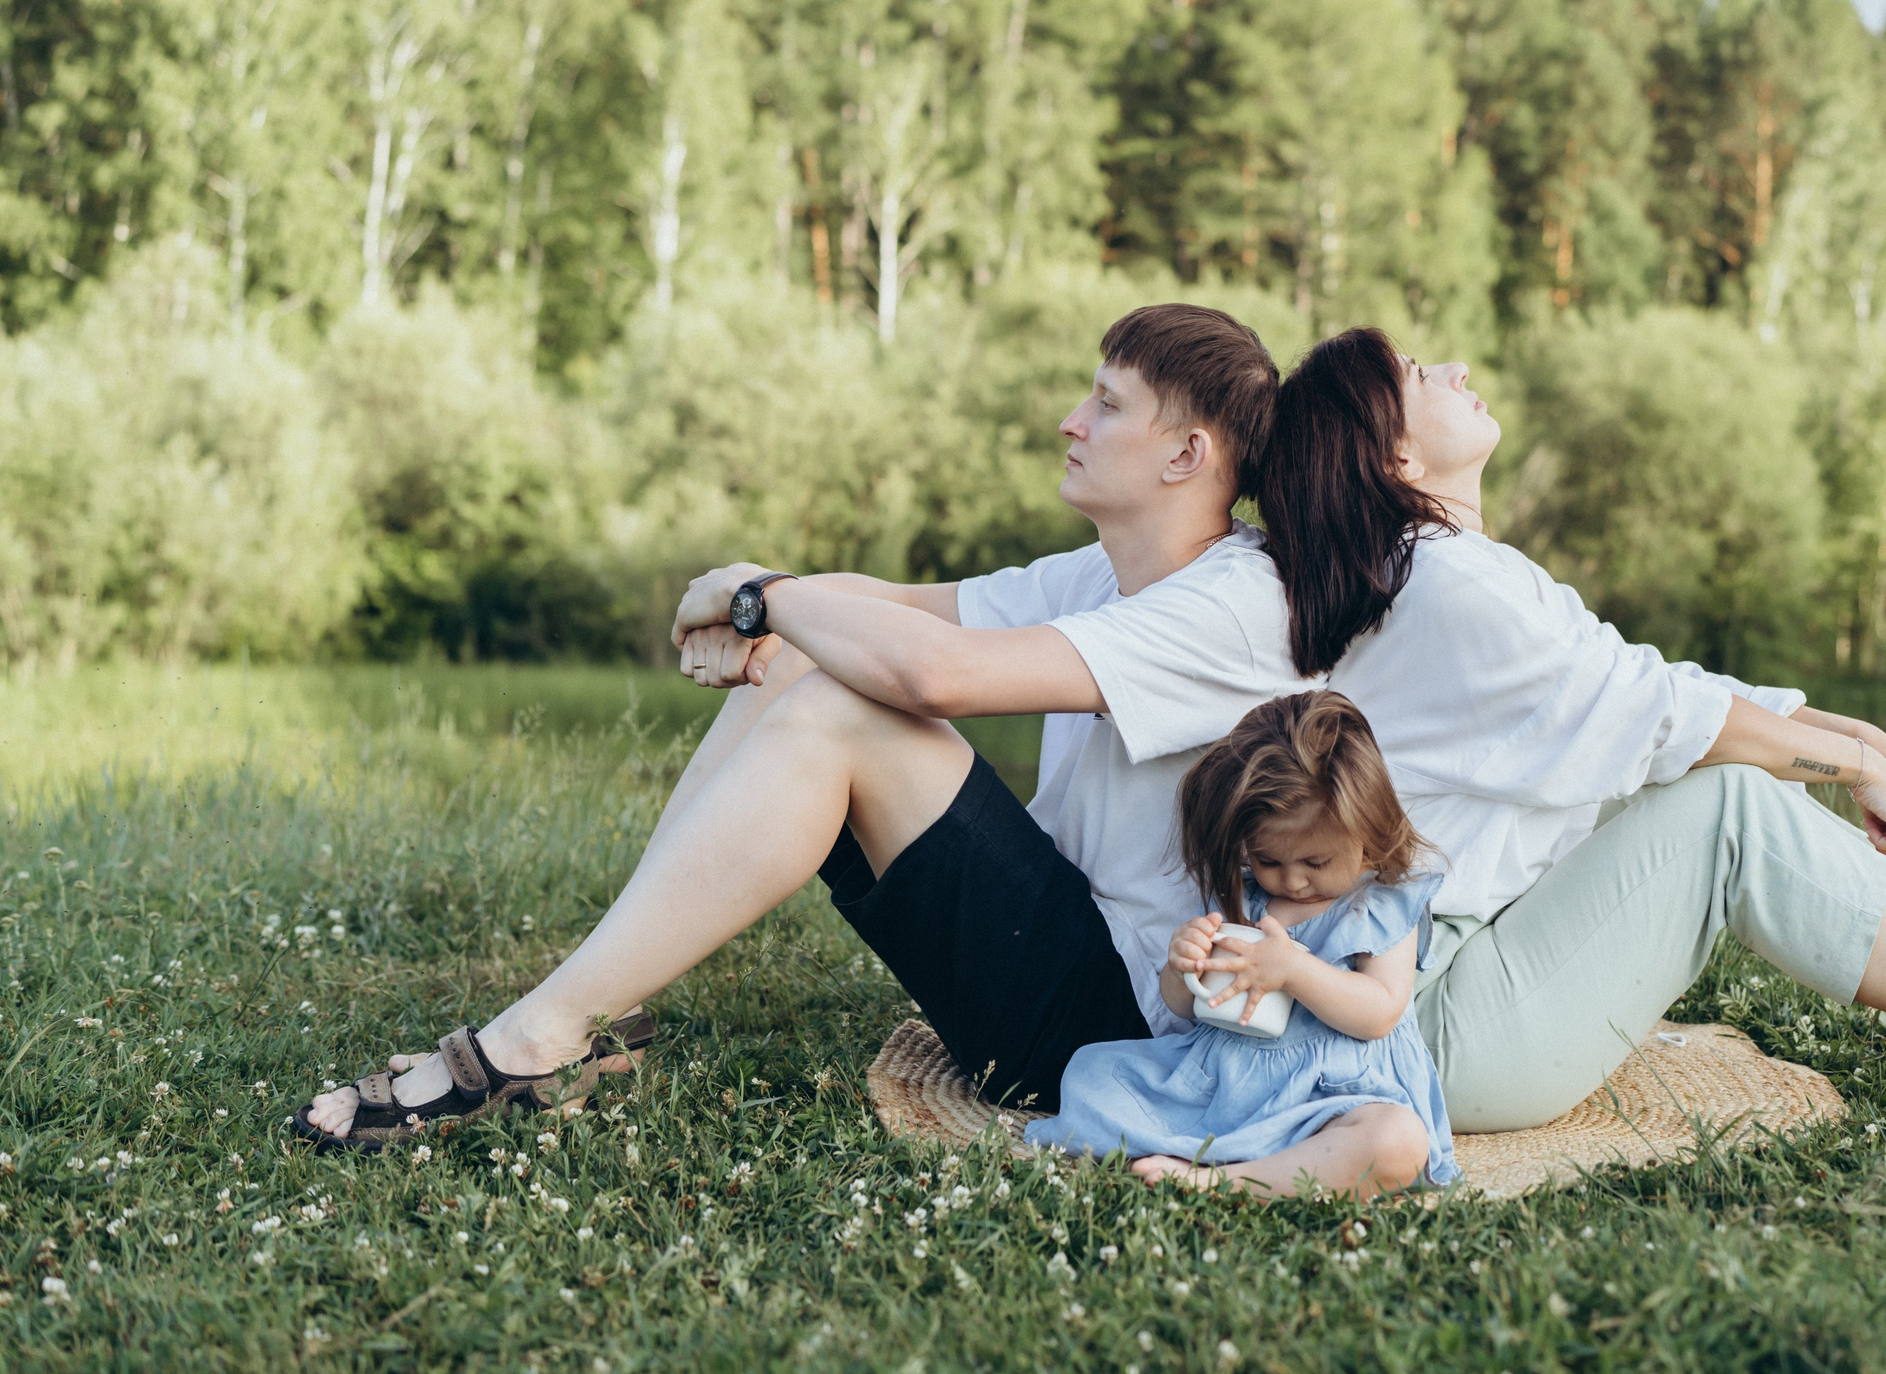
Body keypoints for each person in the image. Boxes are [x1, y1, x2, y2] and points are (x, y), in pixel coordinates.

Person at [295, 304, 1307, 1147]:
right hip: (1060, 951)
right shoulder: (1099, 569)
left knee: (839, 704)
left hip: (1125, 1030)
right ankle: (593, 1012)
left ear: (1186, 453)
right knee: (806, 662)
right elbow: (892, 607)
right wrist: (748, 604)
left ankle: (540, 1039)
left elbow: (930, 671)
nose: (1068, 420)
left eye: (1105, 402)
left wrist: (761, 598)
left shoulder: (1231, 603)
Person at [1259, 327, 1886, 1137]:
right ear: (1394, 458)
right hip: (1432, 1023)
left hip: (1450, 990)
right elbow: (1663, 715)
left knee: (1707, 777)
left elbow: (1659, 687)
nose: (1454, 369)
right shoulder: (1450, 589)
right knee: (1724, 804)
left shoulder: (1443, 572)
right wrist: (1852, 765)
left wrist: (1862, 741)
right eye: (1418, 377)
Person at [1027, 691, 1459, 1199]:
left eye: (1315, 863)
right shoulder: (1248, 897)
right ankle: (1230, 1153)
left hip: (1337, 1097)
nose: (1293, 881)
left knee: (1397, 1142)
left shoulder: (1381, 900)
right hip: (1231, 1084)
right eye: (1270, 861)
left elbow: (1381, 1011)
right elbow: (1189, 1008)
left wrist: (1294, 969)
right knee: (1094, 1073)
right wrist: (1183, 967)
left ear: (1367, 829)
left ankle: (1222, 1180)